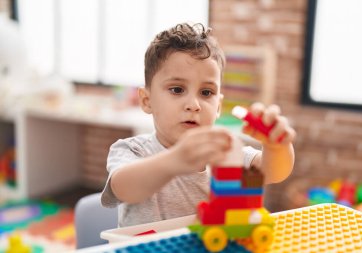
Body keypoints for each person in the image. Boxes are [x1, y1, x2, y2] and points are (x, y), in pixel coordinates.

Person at [101, 23, 296, 227]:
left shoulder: (225, 152)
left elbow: (274, 171)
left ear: (218, 106)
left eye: (206, 93)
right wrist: (176, 159)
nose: (194, 105)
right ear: (146, 100)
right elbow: (124, 188)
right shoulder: (132, 150)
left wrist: (276, 146)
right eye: (177, 89)